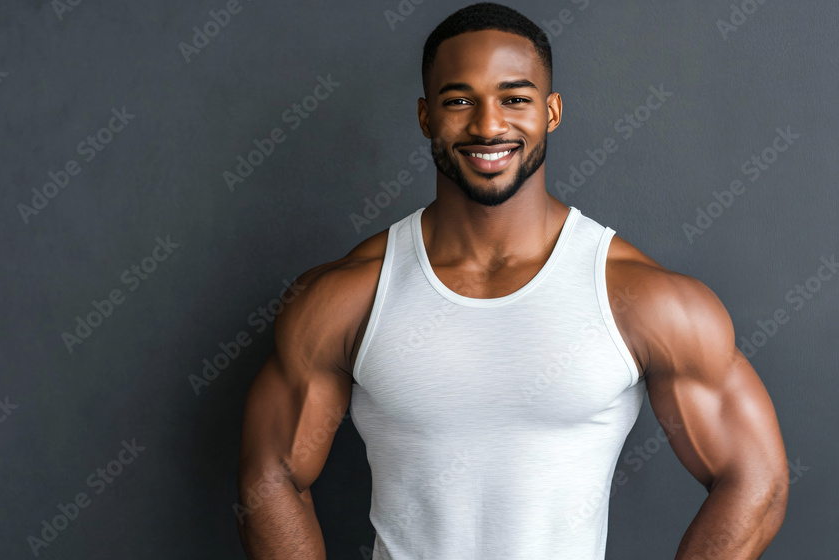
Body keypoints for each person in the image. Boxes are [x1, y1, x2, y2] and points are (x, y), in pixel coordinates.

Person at [236, 3, 789, 558]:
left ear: (550, 111)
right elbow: (271, 477)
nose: (488, 124)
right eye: (459, 101)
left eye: (514, 98)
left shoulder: (643, 298)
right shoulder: (349, 296)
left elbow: (755, 482)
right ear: (427, 117)